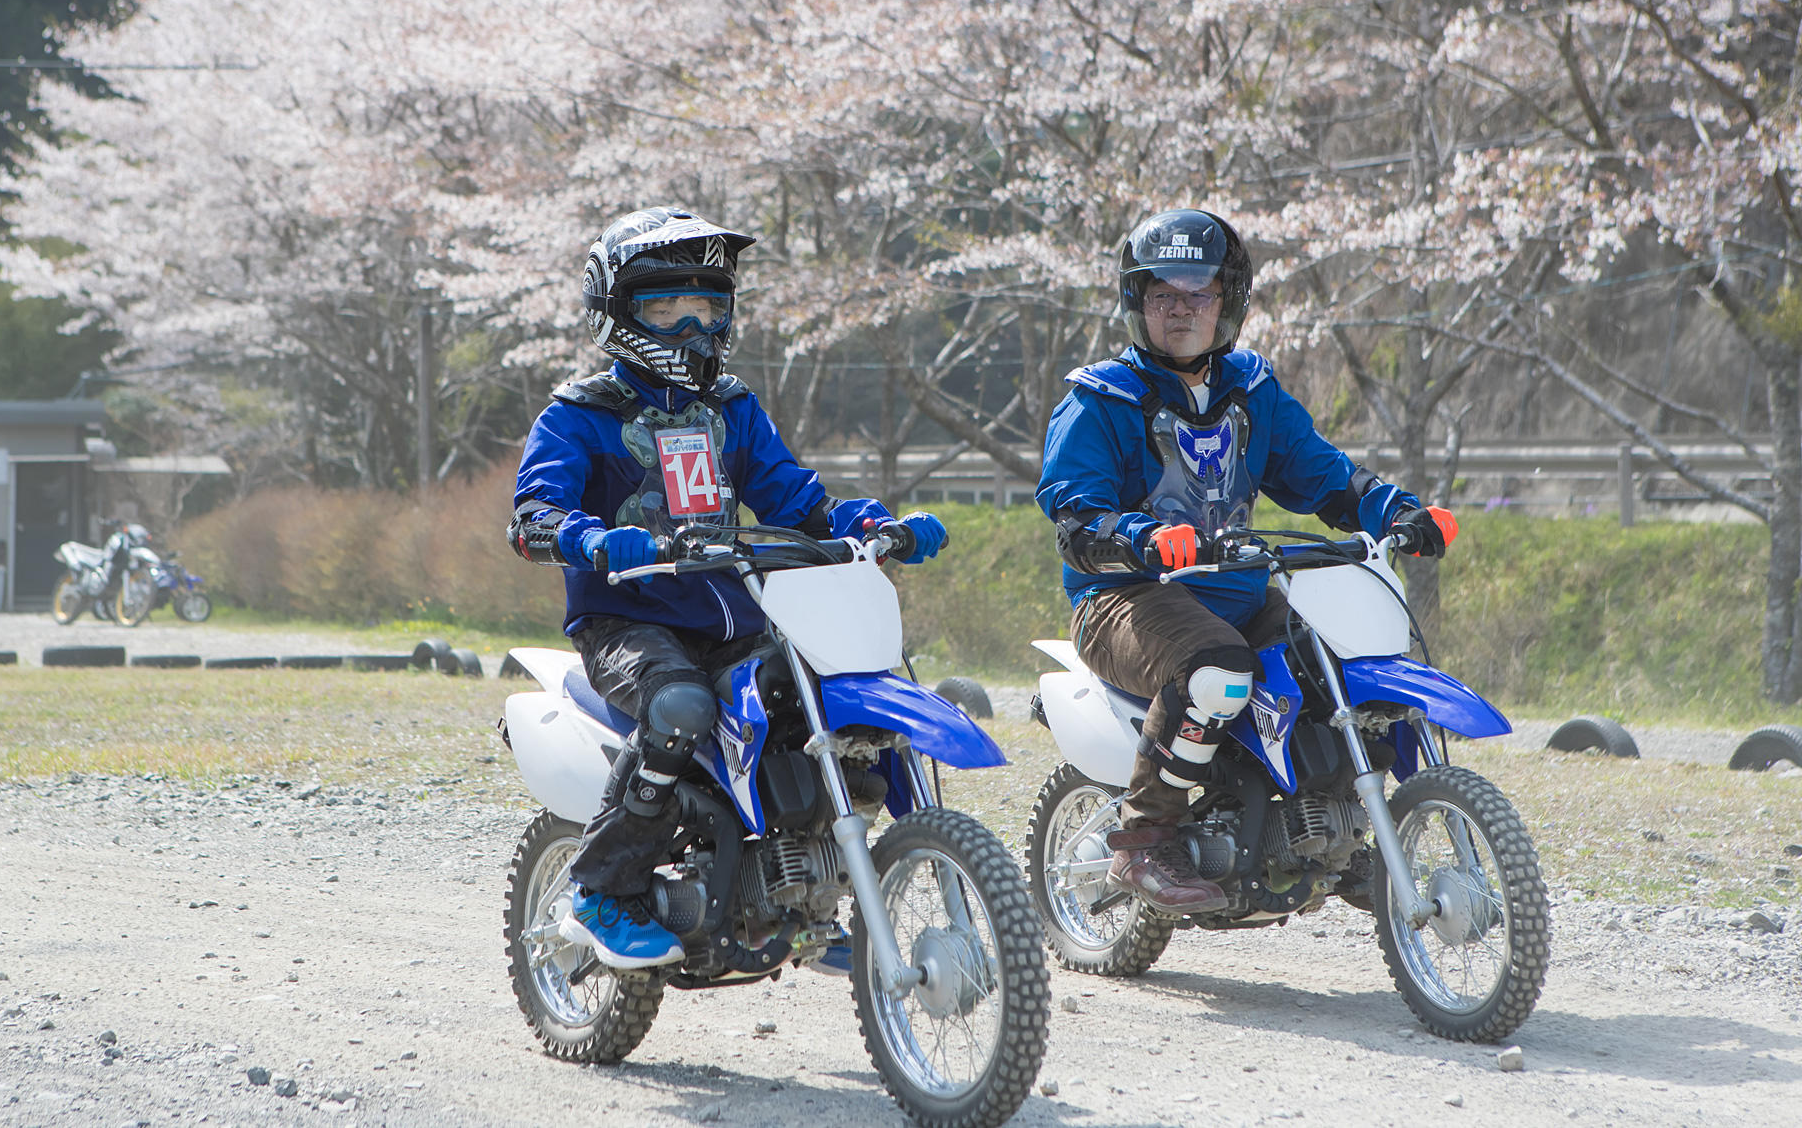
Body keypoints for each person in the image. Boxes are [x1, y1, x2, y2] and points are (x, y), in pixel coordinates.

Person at [508, 205, 949, 968]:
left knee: (834, 697)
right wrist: (591, 538)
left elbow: (798, 504)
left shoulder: (733, 409)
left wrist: (874, 521)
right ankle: (602, 888)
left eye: (709, 307)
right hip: (627, 620)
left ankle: (806, 887)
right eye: (668, 308)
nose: (694, 329)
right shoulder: (579, 415)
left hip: (740, 610)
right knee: (681, 706)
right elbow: (531, 516)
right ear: (617, 310)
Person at [1036, 208, 1455, 914]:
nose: (1180, 310)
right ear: (1136, 302)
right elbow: (1077, 517)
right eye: (1162, 294)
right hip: (1125, 600)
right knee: (1217, 668)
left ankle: (1341, 829)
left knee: (1340, 663)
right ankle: (1144, 840)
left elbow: (1322, 474)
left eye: (1197, 293)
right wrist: (1140, 536)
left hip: (1234, 588)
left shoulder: (1252, 390)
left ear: (1228, 299)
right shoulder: (1098, 398)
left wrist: (1395, 509)